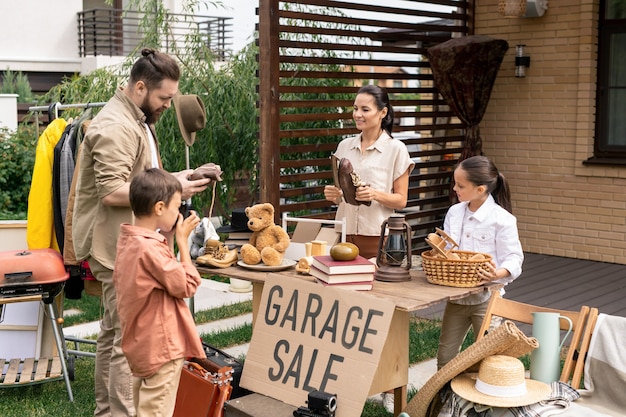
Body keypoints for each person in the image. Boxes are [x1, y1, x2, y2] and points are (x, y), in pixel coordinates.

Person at [72, 48, 211, 417]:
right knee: (126, 341)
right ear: (139, 87)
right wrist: (175, 187)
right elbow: (111, 190)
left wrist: (179, 181)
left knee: (113, 333)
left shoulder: (135, 117)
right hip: (116, 245)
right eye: (164, 97)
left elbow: (144, 181)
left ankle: (107, 411)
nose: (168, 104)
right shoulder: (115, 125)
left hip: (129, 243)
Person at [114, 168, 205, 417]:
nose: (179, 213)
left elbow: (163, 274)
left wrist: (170, 238)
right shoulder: (151, 250)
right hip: (162, 350)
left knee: (144, 409)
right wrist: (183, 242)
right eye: (176, 207)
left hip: (140, 347)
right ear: (159, 208)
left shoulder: (128, 241)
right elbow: (186, 285)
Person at [436, 155, 524, 370]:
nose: (455, 189)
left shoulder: (501, 219)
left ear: (480, 189)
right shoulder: (454, 212)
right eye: (455, 183)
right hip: (457, 298)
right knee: (445, 357)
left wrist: (498, 274)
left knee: (488, 359)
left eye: (460, 185)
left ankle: (479, 398)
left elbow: (515, 258)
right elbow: (448, 250)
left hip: (487, 299)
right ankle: (443, 401)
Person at [324, 84, 414, 259]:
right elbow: (340, 197)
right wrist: (333, 194)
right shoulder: (344, 146)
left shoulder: (396, 149)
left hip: (377, 237)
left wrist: (374, 194)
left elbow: (401, 200)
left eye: (365, 109)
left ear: (383, 112)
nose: (358, 114)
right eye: (355, 108)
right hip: (343, 233)